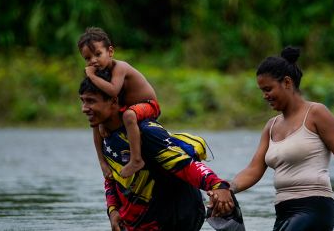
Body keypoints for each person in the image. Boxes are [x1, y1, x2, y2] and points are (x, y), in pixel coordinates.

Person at [223, 47, 334, 231]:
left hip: (314, 208)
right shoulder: (271, 126)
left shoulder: (316, 113)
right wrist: (228, 188)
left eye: (268, 89)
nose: (264, 96)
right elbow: (253, 169)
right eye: (262, 90)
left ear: (287, 83)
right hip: (283, 213)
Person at [79, 69, 235, 231]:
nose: (84, 108)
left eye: (91, 101)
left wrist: (218, 186)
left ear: (113, 100)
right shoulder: (104, 133)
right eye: (82, 101)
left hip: (172, 220)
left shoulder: (146, 132)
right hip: (135, 223)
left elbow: (185, 165)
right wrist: (113, 211)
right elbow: (111, 177)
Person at [78, 27, 160, 178]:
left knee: (129, 115)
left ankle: (136, 159)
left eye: (98, 54)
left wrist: (92, 77)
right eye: (88, 58)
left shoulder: (119, 67)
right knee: (96, 120)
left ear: (110, 52)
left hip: (148, 106)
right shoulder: (100, 73)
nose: (93, 61)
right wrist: (102, 123)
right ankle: (102, 162)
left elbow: (114, 90)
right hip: (125, 108)